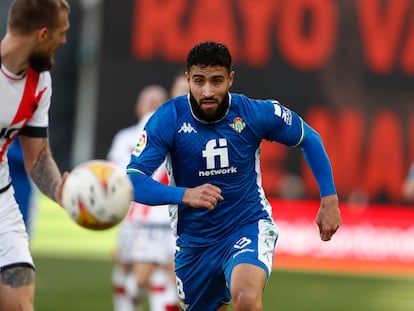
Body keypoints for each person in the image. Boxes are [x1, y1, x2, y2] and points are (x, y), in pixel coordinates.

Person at [126, 41, 342, 311]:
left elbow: (309, 137)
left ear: (230, 79)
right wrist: (184, 195)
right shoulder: (168, 118)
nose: (207, 91)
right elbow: (133, 180)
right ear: (187, 79)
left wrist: (329, 198)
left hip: (246, 226)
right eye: (199, 81)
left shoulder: (252, 113)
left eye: (216, 81)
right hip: (194, 243)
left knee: (246, 300)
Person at [0, 1, 70, 310]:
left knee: (19, 304)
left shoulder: (39, 82)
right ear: (43, 34)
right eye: (62, 32)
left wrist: (62, 192)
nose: (64, 40)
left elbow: (38, 158)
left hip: (1, 204)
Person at [109, 81, 186, 311]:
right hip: (147, 214)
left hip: (177, 215)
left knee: (178, 279)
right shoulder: (155, 123)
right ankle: (125, 304)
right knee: (139, 277)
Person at [8, 138, 38, 238]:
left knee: (20, 234)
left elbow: (33, 158)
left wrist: (6, 152)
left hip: (21, 188)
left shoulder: (23, 125)